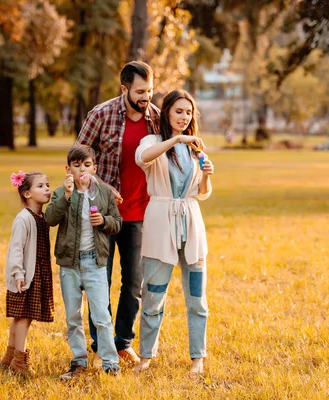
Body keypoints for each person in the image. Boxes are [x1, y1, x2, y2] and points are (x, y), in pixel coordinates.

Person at [77, 61, 160, 365]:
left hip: (139, 213)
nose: (146, 97)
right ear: (124, 88)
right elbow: (78, 159)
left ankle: (123, 341)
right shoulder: (101, 114)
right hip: (103, 214)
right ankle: (101, 345)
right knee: (101, 280)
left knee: (134, 281)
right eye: (140, 91)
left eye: (149, 91)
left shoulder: (156, 119)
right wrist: (101, 184)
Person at [133, 89, 214, 374]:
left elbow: (202, 194)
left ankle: (197, 359)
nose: (184, 117)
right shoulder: (154, 141)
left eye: (189, 112)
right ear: (166, 112)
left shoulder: (196, 149)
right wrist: (176, 139)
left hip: (191, 227)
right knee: (153, 295)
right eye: (179, 111)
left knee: (197, 299)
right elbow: (142, 158)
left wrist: (205, 174)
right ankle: (146, 357)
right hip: (160, 227)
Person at [45, 144, 123, 379]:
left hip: (94, 263)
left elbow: (117, 223)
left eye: (86, 165)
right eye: (76, 166)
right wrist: (67, 197)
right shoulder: (62, 193)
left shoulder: (105, 193)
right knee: (73, 316)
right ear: (68, 169)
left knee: (102, 316)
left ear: (94, 168)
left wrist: (105, 221)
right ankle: (78, 361)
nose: (82, 170)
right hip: (69, 264)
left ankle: (110, 363)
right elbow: (50, 218)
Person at [0, 171, 54, 377]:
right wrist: (18, 273)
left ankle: (9, 356)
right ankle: (19, 361)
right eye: (40, 186)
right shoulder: (23, 219)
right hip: (25, 275)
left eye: (47, 184)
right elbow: (16, 248)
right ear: (27, 193)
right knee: (24, 316)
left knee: (21, 316)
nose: (47, 188)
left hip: (37, 273)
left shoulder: (41, 217)